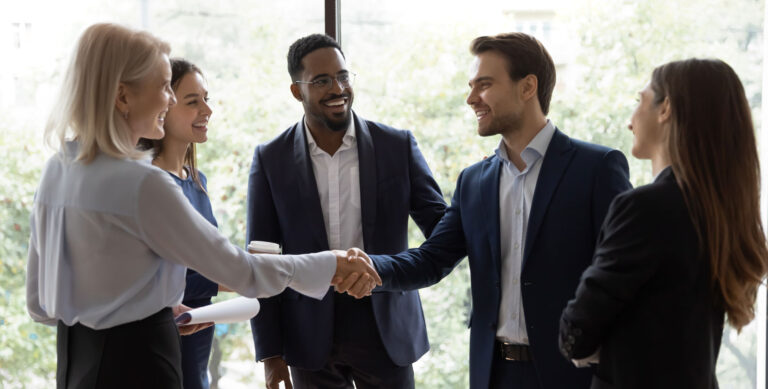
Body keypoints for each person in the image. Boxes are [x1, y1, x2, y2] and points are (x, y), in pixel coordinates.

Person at [25, 23, 379, 389]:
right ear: (123, 97)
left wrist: (151, 308)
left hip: (73, 367)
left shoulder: (59, 168)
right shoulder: (143, 183)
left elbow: (39, 304)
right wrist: (333, 262)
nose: (168, 99)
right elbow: (243, 271)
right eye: (164, 86)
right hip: (143, 366)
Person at [340, 32, 632, 389]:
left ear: (527, 87)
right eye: (471, 85)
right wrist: (374, 267)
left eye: (484, 85)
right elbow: (432, 259)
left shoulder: (597, 168)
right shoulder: (473, 182)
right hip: (493, 374)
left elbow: (624, 274)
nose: (470, 98)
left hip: (573, 374)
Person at [247, 33, 447, 389]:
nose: (337, 88)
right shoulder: (271, 159)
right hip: (308, 334)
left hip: (386, 329)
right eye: (321, 80)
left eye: (342, 76)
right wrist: (270, 354)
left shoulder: (396, 146)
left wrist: (479, 196)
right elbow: (262, 260)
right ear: (297, 91)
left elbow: (444, 234)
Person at [558, 58, 768, 388]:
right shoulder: (718, 212)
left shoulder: (645, 208)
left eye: (639, 101)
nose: (630, 122)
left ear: (665, 108)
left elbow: (575, 334)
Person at [137, 58, 222, 389]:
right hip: (165, 336)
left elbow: (206, 257)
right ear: (164, 106)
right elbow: (157, 276)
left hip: (199, 338)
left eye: (206, 99)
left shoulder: (197, 180)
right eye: (192, 101)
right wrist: (237, 276)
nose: (207, 111)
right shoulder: (149, 182)